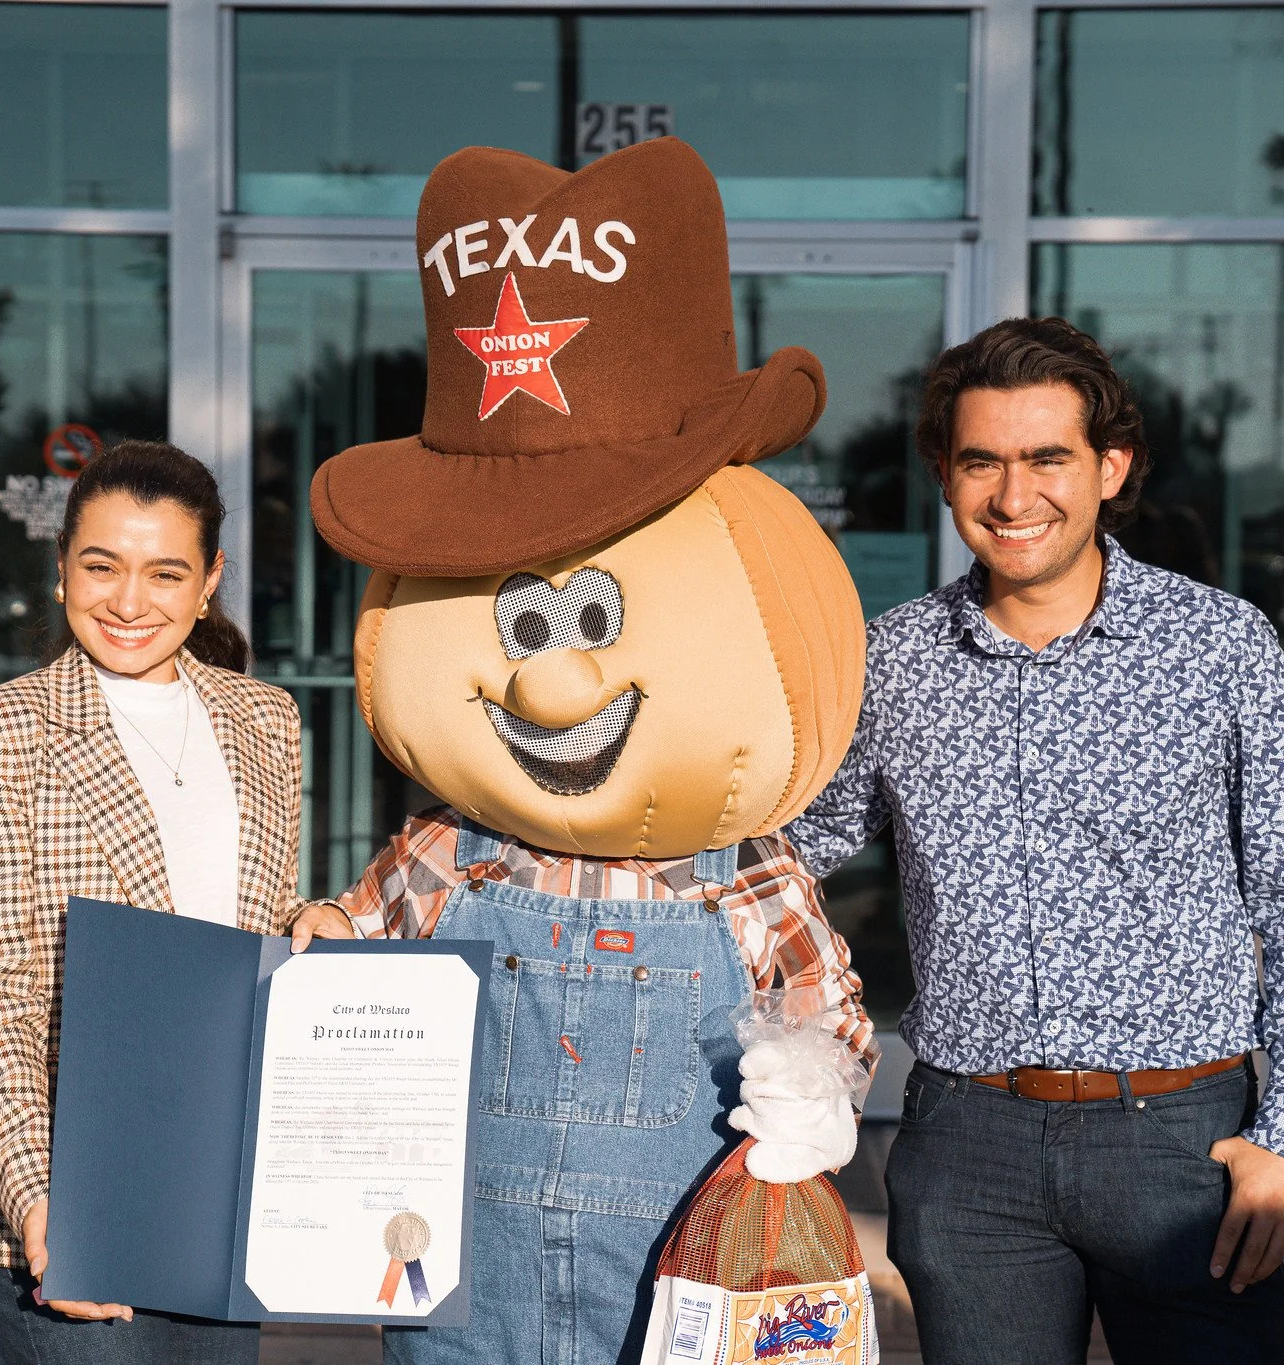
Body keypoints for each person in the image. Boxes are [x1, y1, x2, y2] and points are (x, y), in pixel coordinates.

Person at [288, 137, 877, 1364]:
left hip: (671, 1277)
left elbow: (831, 1014)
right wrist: (323, 940)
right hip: (462, 1273)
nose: (549, 680)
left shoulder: (748, 874)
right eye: (522, 623)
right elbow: (353, 936)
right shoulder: (451, 850)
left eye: (588, 618)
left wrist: (818, 1090)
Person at [786, 317, 1284, 1364]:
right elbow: (796, 847)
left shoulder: (1219, 645)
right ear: (944, 473)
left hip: (1182, 1148)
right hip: (968, 1152)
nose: (1013, 499)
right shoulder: (891, 660)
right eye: (982, 463)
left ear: (1110, 466)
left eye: (1046, 458)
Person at [0, 440, 310, 1365]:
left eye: (165, 572)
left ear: (209, 580)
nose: (129, 601)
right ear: (61, 569)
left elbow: (250, 916)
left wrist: (313, 921)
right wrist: (43, 1201)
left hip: (216, 1185)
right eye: (102, 565)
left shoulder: (267, 720)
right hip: (62, 1193)